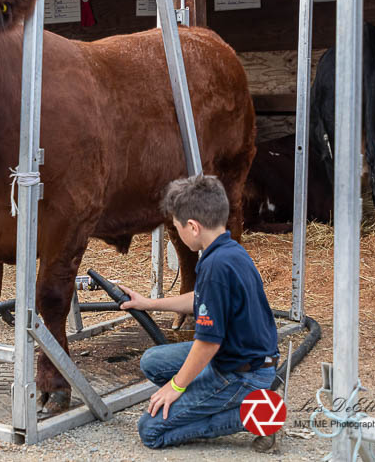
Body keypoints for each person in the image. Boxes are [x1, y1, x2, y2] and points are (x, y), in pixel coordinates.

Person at [120, 175, 279, 450]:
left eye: (177, 227)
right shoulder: (229, 251)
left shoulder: (215, 266)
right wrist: (149, 303)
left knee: (151, 430)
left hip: (241, 373)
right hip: (242, 357)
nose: (177, 234)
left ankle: (256, 413)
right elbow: (201, 300)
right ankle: (217, 398)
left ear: (192, 227)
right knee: (152, 361)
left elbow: (207, 343)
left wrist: (177, 387)